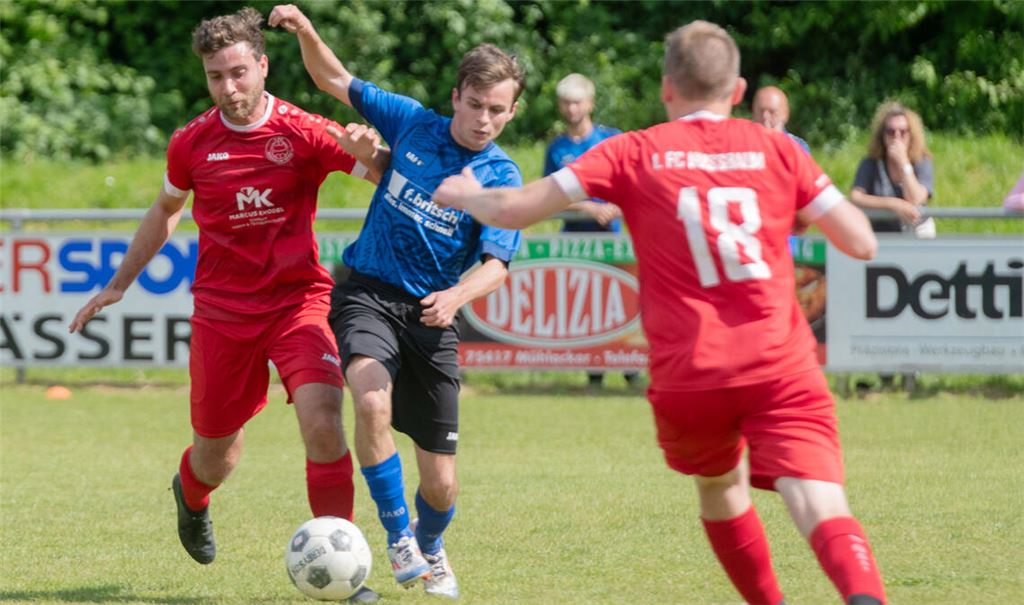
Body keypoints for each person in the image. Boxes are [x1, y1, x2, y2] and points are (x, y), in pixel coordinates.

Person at [434, 20, 886, 605]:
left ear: (667, 87)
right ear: (739, 89)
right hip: (779, 362)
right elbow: (861, 242)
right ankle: (865, 596)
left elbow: (520, 207)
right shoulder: (778, 149)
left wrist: (468, 195)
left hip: (690, 372)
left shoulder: (632, 151)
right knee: (819, 498)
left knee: (722, 488)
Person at [68, 8, 385, 603]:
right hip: (223, 313)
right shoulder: (191, 142)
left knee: (322, 422)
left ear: (263, 66)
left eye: (239, 72)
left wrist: (374, 151)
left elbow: (382, 173)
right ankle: (190, 495)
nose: (229, 88)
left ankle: (343, 573)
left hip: (299, 303)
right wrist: (118, 283)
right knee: (217, 456)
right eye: (216, 77)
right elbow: (166, 211)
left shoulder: (303, 131)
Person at [270, 4, 524, 599]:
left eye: (497, 110)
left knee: (441, 487)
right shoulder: (411, 122)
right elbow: (334, 80)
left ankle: (429, 541)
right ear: (456, 95)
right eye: (475, 104)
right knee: (370, 400)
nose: (483, 120)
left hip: (434, 316)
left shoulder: (499, 174)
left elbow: (496, 266)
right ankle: (396, 539)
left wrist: (457, 295)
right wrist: (307, 31)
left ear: (512, 112)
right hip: (368, 294)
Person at [543, 73, 637, 389]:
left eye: (577, 102)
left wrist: (615, 205)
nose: (572, 109)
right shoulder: (556, 150)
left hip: (610, 239)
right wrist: (587, 208)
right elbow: (547, 200)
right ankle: (592, 375)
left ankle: (631, 371)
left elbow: (633, 188)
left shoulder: (611, 140)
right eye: (567, 103)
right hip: (574, 241)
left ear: (590, 103)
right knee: (585, 306)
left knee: (620, 300)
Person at [849, 101, 935, 236]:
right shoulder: (871, 163)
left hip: (917, 232)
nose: (897, 136)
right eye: (890, 132)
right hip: (882, 235)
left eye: (903, 132)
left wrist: (903, 163)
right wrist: (894, 204)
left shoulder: (921, 161)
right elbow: (856, 197)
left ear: (911, 135)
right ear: (882, 136)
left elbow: (917, 198)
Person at [751, 85, 811, 154]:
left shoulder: (798, 147)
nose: (765, 117)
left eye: (772, 112)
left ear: (785, 115)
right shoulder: (742, 144)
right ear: (753, 112)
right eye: (761, 111)